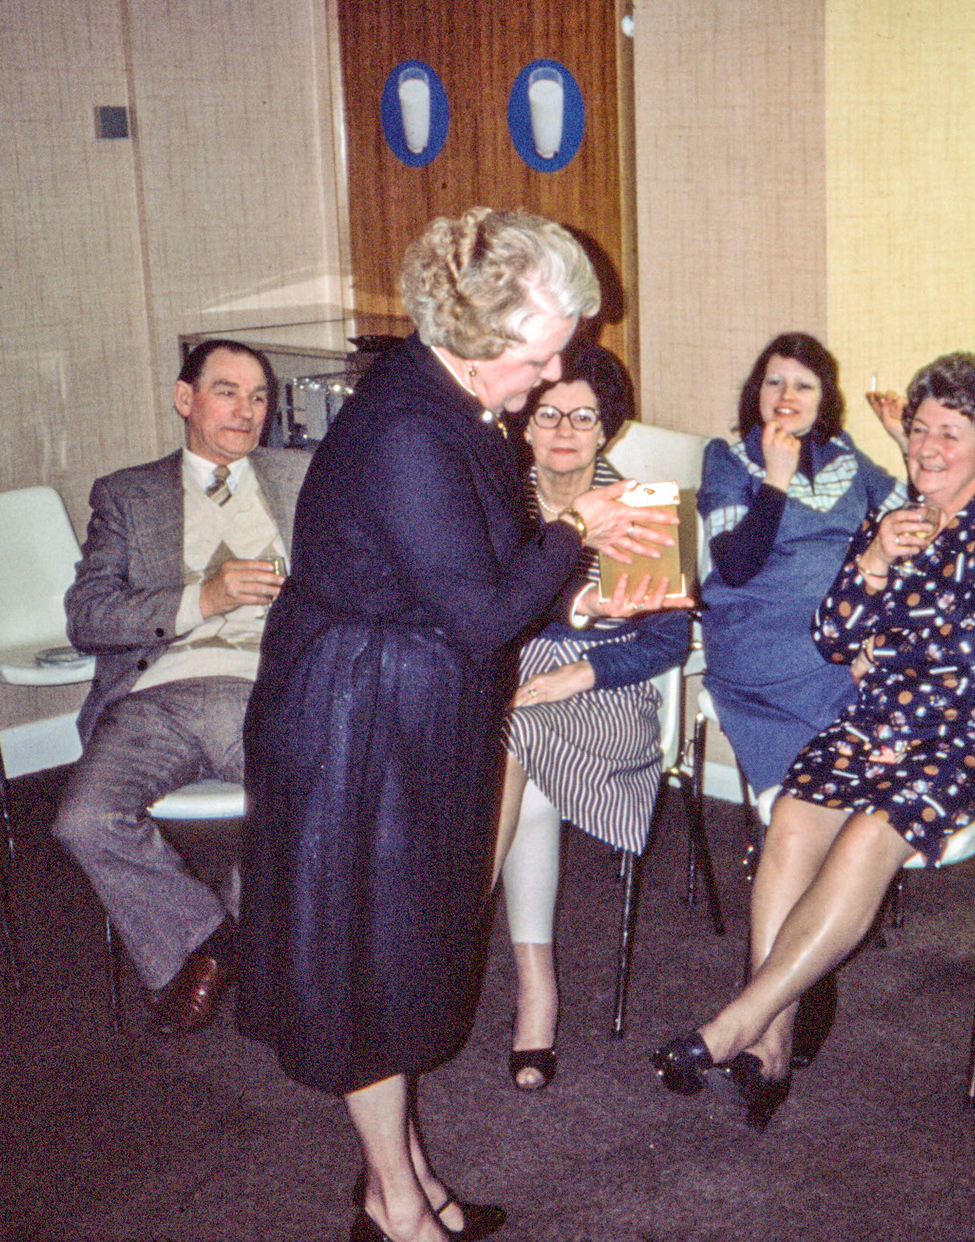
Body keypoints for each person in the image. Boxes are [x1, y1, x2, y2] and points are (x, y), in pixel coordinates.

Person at [237, 208, 678, 1242]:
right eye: (543, 349)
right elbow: (481, 616)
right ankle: (394, 1204)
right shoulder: (406, 430)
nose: (557, 366)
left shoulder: (451, 405)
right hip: (359, 718)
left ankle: (405, 1177)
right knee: (368, 967)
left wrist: (577, 597)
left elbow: (469, 578)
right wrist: (578, 531)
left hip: (406, 697)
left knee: (395, 958)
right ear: (481, 339)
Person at [653, 352, 975, 1130]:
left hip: (966, 734)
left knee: (867, 836)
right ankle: (772, 1047)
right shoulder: (888, 520)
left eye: (949, 435)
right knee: (793, 819)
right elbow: (833, 636)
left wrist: (892, 673)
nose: (927, 449)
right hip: (878, 725)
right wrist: (869, 562)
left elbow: (970, 662)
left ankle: (741, 1020)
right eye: (920, 430)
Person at [53, 339, 308, 1037]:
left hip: (267, 686)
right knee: (82, 820)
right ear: (184, 399)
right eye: (228, 391)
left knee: (305, 791)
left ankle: (238, 939)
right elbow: (88, 617)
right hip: (157, 693)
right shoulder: (128, 494)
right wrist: (204, 598)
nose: (247, 411)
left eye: (259, 397)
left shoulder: (302, 476)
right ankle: (212, 942)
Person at [493, 340, 692, 1091]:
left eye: (584, 416)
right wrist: (571, 614)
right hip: (511, 680)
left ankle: (451, 935)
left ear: (607, 427)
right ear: (524, 422)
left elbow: (667, 639)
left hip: (606, 694)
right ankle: (534, 989)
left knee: (508, 733)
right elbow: (482, 613)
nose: (566, 431)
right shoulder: (497, 499)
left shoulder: (639, 507)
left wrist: (581, 664)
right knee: (514, 752)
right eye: (549, 415)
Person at [697, 332, 908, 804]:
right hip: (761, 632)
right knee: (876, 673)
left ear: (824, 399)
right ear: (757, 393)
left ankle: (860, 796)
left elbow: (917, 523)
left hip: (843, 622)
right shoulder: (730, 460)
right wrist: (775, 478)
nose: (788, 396)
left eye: (804, 385)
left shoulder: (847, 459)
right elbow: (734, 566)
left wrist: (904, 441)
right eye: (775, 382)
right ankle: (845, 785)